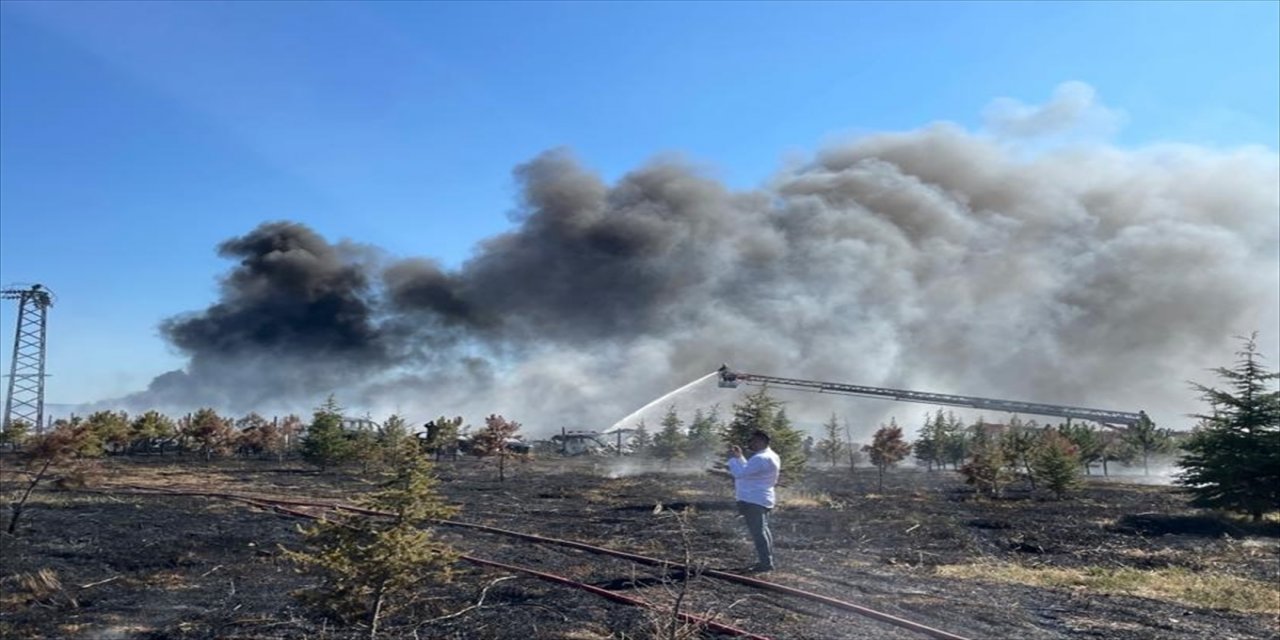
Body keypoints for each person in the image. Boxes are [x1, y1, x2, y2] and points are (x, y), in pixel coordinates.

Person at [727, 430, 781, 572]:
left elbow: (740, 474)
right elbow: (748, 470)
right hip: (762, 498)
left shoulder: (760, 458)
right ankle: (766, 560)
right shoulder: (770, 456)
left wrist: (732, 459)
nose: (749, 443)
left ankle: (765, 564)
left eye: (752, 440)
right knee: (763, 530)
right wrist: (740, 458)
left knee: (759, 533)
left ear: (760, 441)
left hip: (753, 499)